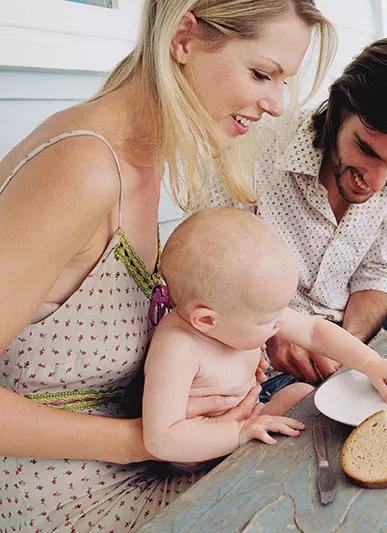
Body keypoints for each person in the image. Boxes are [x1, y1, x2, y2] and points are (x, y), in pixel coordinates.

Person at [0, 0, 334, 529]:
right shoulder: (82, 166)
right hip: (70, 497)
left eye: (282, 82)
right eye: (262, 73)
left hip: (146, 464)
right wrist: (144, 439)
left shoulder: (144, 157)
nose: (275, 103)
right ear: (183, 38)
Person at [210, 36, 387, 384]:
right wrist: (272, 333)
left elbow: (379, 273)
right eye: (368, 151)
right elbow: (211, 274)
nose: (376, 183)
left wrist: (344, 346)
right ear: (340, 109)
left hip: (348, 364)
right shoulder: (252, 147)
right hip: (247, 374)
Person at [143, 207, 387, 469]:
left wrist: (370, 362)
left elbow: (313, 331)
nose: (281, 323)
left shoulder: (236, 312)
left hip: (253, 410)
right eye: (267, 320)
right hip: (200, 447)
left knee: (306, 397)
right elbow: (162, 439)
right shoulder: (177, 349)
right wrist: (239, 432)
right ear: (206, 320)